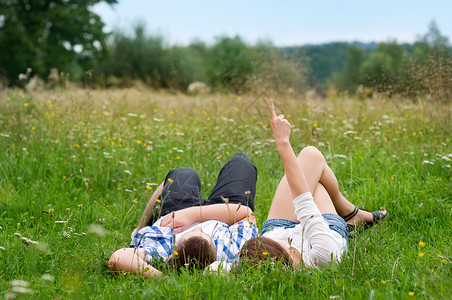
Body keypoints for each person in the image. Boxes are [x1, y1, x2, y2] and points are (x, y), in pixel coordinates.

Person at [238, 99, 388, 269]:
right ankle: (350, 213)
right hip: (325, 228)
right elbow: (303, 199)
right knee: (312, 161)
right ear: (286, 257)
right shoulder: (323, 254)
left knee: (311, 171)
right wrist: (282, 142)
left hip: (276, 230)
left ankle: (352, 214)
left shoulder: (254, 262)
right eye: (287, 248)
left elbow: (215, 268)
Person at [108, 153, 258, 278]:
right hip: (225, 213)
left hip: (176, 212)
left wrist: (161, 278)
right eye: (205, 234)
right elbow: (247, 214)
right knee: (241, 162)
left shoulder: (159, 251)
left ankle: (138, 228)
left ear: (171, 256)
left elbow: (117, 259)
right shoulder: (229, 252)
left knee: (183, 173)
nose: (200, 228)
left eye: (192, 233)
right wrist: (192, 215)